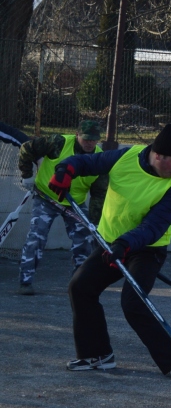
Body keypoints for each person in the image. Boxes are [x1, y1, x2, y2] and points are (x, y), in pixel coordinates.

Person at [48, 124, 171, 380]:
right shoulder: (125, 157)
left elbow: (155, 225)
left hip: (147, 249)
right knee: (80, 287)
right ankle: (97, 355)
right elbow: (89, 163)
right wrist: (65, 169)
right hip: (111, 244)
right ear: (157, 155)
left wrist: (125, 244)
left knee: (133, 302)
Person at [16, 120, 108, 295]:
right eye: (86, 138)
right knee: (37, 237)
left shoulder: (100, 160)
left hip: (75, 204)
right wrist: (26, 175)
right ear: (77, 135)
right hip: (47, 197)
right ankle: (25, 282)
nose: (89, 143)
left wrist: (94, 223)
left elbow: (99, 194)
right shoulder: (58, 142)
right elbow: (27, 148)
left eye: (93, 139)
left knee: (84, 240)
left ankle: (80, 284)